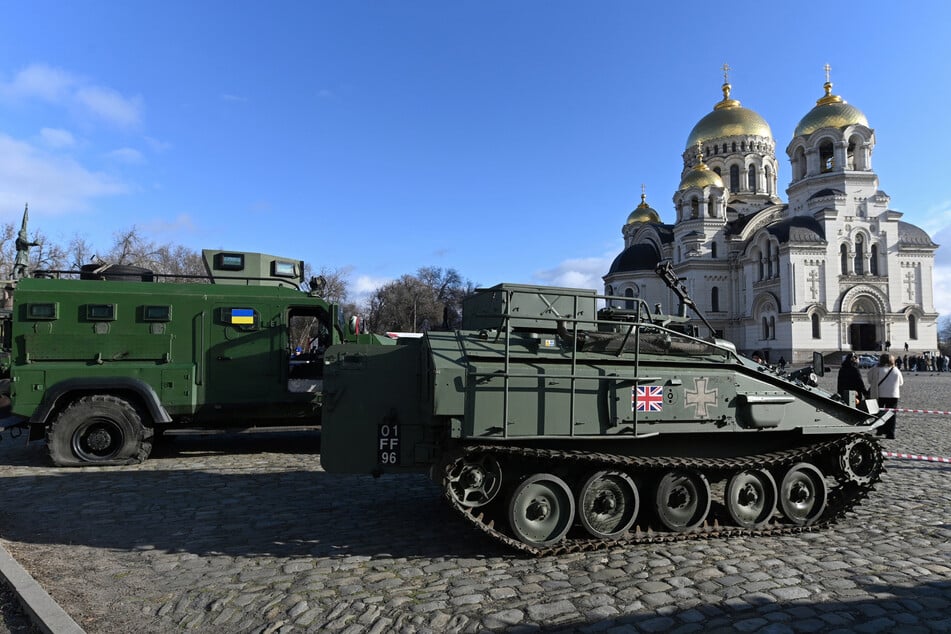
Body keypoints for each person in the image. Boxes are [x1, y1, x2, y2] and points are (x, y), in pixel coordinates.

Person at [868, 353, 903, 439]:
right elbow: (901, 382)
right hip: (893, 395)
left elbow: (870, 380)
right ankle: (890, 433)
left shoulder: (876, 369)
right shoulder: (896, 370)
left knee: (879, 413)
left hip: (880, 394)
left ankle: (880, 430)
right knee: (892, 414)